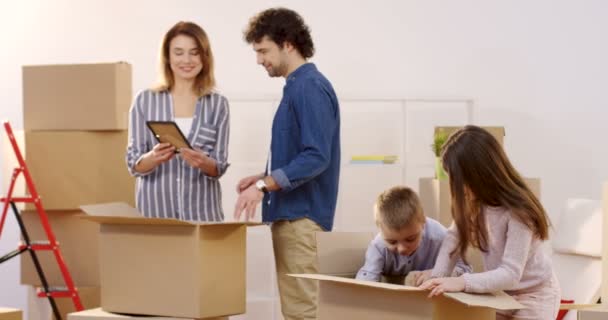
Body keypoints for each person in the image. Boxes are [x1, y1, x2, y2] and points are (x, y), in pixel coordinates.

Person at [234, 7, 340, 320]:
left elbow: (316, 156)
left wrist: (263, 185)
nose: (259, 59)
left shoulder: (308, 87)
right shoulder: (296, 87)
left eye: (264, 50)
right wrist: (263, 176)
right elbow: (303, 154)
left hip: (300, 219)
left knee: (301, 312)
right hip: (292, 217)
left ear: (289, 44)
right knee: (297, 309)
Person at [419, 125, 560, 320]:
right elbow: (453, 238)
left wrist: (460, 282)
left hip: (535, 295)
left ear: (480, 175)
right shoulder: (474, 203)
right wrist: (437, 278)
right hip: (499, 294)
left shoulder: (518, 212)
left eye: (459, 181)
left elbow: (510, 274)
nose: (458, 189)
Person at [125, 21, 229, 221]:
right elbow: (133, 164)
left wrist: (204, 162)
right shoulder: (145, 100)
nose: (187, 60)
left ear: (204, 57)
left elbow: (219, 166)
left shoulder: (218, 104)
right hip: (155, 217)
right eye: (179, 52)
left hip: (203, 215)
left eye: (194, 52)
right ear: (167, 57)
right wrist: (153, 157)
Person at [356, 186, 471, 285]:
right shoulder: (378, 246)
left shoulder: (440, 237)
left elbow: (466, 270)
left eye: (410, 239)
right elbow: (366, 284)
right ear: (381, 231)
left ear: (423, 223)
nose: (402, 249)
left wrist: (436, 273)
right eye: (392, 242)